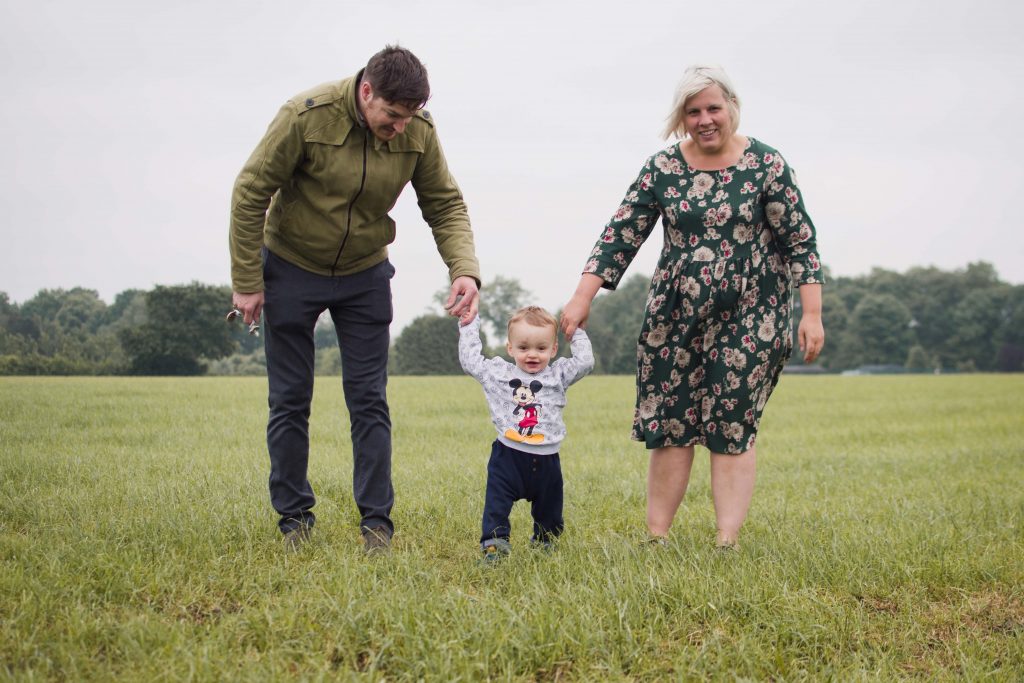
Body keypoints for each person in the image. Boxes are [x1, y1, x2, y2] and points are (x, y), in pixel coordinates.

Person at [560, 65, 825, 550]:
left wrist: (811, 312)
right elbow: (621, 232)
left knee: (731, 422)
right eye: (693, 111)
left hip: (753, 313)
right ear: (681, 117)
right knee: (670, 424)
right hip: (674, 313)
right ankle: (656, 538)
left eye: (713, 108)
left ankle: (727, 542)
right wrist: (582, 296)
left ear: (732, 109)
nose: (705, 119)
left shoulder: (766, 164)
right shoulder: (662, 168)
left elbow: (799, 240)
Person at [228, 45, 480, 554]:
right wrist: (248, 279)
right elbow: (251, 190)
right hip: (291, 267)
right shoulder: (305, 117)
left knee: (369, 399)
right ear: (367, 91)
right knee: (290, 399)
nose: (400, 128)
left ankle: (377, 525)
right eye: (391, 115)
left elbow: (444, 203)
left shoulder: (419, 134)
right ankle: (294, 520)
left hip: (365, 272)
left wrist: (464, 270)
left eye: (409, 117)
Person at [458, 306, 594, 561]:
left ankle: (545, 543)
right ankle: (494, 546)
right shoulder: (500, 374)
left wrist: (576, 332)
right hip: (508, 457)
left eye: (541, 348)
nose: (532, 354)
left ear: (553, 349)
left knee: (550, 510)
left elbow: (585, 362)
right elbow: (471, 361)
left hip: (547, 460)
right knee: (496, 506)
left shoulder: (558, 375)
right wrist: (469, 324)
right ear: (510, 348)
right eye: (523, 348)